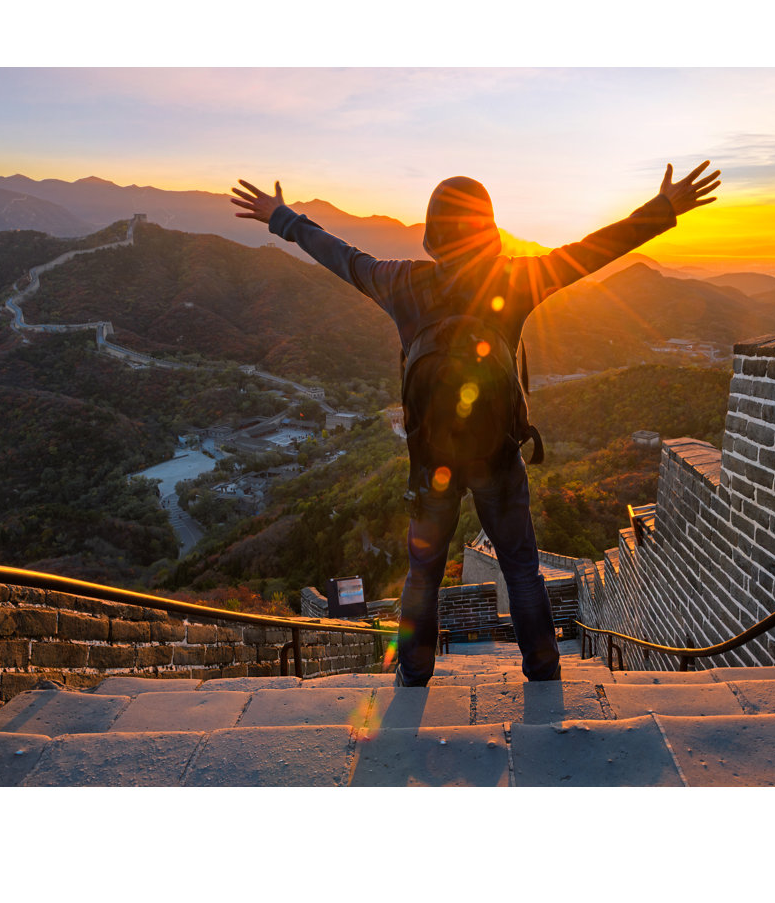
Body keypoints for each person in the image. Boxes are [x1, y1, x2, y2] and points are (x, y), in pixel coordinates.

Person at [231, 162, 720, 685]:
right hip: (497, 456)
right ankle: (543, 669)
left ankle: (414, 675)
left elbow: (340, 256)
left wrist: (280, 217)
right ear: (489, 230)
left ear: (431, 232)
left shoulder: (400, 281)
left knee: (423, 575)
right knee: (521, 570)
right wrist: (663, 209)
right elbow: (589, 252)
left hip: (431, 461)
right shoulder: (514, 279)